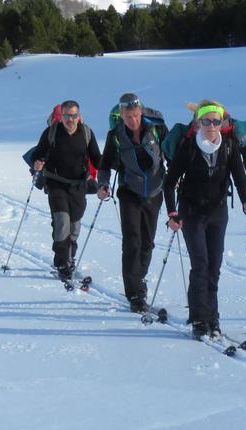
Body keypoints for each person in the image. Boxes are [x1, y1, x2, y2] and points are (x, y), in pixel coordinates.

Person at [163, 100, 246, 339]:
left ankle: (212, 318)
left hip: (218, 212)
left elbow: (240, 177)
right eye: (207, 121)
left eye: (216, 121)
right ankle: (199, 319)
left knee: (214, 266)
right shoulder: (189, 147)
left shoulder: (229, 146)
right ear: (198, 123)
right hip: (191, 212)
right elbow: (169, 182)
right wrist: (172, 212)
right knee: (200, 264)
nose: (212, 126)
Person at [97, 93, 169, 313]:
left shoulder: (157, 128)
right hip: (129, 192)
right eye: (128, 117)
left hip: (155, 191)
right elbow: (105, 164)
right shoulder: (116, 135)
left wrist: (178, 177)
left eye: (136, 115)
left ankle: (140, 278)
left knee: (147, 242)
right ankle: (135, 294)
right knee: (132, 242)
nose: (133, 120)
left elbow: (171, 153)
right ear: (122, 116)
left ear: (141, 112)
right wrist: (103, 184)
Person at [31, 100, 102, 280]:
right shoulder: (51, 132)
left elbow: (96, 158)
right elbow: (37, 154)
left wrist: (111, 168)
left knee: (74, 226)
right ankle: (62, 263)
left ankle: (70, 257)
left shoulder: (86, 133)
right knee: (62, 222)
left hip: (78, 186)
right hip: (56, 184)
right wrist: (37, 162)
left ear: (79, 116)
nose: (70, 119)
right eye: (66, 116)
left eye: (73, 115)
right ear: (61, 116)